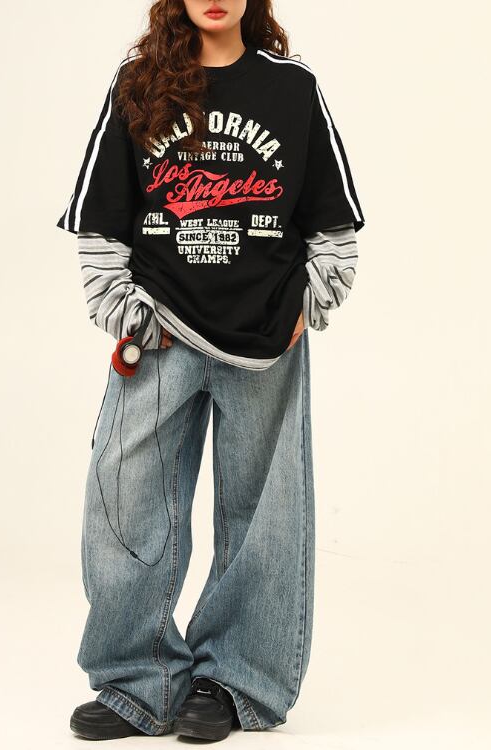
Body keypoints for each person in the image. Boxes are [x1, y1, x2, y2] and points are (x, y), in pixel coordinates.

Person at [55, 0, 365, 741]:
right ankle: (139, 681)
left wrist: (310, 302)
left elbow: (334, 221)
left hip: (265, 335)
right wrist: (123, 309)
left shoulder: (291, 89)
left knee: (264, 513)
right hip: (160, 330)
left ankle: (236, 681)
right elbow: (101, 216)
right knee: (125, 499)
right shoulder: (140, 81)